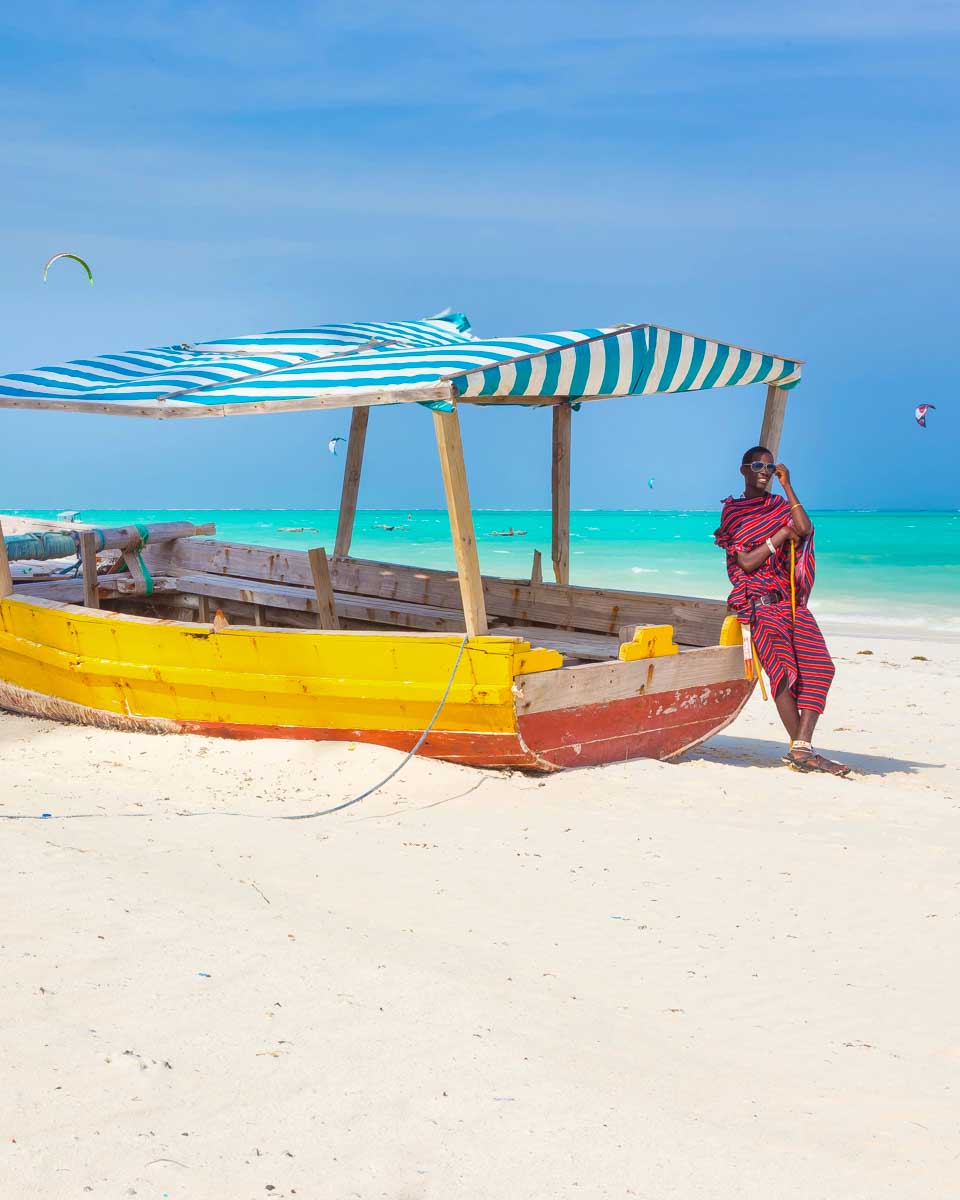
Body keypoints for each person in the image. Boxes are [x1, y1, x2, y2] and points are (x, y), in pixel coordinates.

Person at [715, 446, 849, 775]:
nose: (764, 469)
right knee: (783, 674)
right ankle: (803, 751)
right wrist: (778, 537)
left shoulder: (778, 504)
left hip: (790, 603)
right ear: (743, 469)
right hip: (758, 605)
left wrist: (788, 487)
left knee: (821, 667)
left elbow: (804, 528)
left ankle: (801, 747)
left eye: (770, 466)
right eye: (758, 465)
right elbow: (745, 562)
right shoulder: (733, 513)